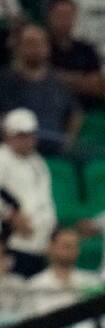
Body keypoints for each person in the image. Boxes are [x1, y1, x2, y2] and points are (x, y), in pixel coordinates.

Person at [0, 24, 82, 155]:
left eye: (40, 43)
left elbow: (75, 114)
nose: (36, 48)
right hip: (16, 153)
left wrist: (68, 141)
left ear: (48, 47)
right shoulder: (5, 80)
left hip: (55, 151)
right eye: (30, 43)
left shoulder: (58, 82)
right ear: (18, 47)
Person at [0, 108, 55, 277]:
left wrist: (51, 229)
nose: (27, 140)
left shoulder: (38, 162)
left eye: (30, 135)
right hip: (13, 242)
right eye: (21, 135)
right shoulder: (2, 158)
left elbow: (45, 199)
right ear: (8, 136)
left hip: (41, 243)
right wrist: (10, 215)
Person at [46, 0, 105, 111]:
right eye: (60, 15)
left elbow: (97, 86)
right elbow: (41, 79)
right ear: (50, 17)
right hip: (51, 108)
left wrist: (61, 78)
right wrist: (80, 80)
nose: (64, 20)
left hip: (85, 108)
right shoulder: (43, 47)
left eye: (68, 15)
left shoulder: (87, 49)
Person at [23, 226, 98, 314]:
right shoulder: (35, 285)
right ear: (51, 247)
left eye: (74, 246)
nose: (70, 250)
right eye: (66, 246)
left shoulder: (92, 282)